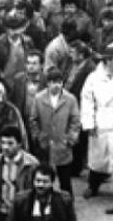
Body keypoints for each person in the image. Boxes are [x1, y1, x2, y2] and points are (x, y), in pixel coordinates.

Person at [81, 47, 113, 202]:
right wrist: (89, 122)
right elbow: (87, 100)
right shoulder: (93, 78)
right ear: (107, 61)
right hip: (101, 123)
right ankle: (93, 186)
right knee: (98, 159)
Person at [29, 67, 81, 197]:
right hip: (45, 145)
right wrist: (38, 136)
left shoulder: (70, 99)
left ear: (62, 83)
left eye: (59, 82)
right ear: (47, 83)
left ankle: (67, 204)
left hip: (63, 144)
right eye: (52, 82)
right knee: (44, 176)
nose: (56, 85)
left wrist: (70, 139)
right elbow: (33, 120)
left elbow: (75, 121)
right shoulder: (39, 98)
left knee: (65, 179)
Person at [6, 164, 78, 221]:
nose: (40, 185)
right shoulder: (20, 200)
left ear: (52, 183)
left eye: (45, 182)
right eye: (38, 181)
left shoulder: (64, 201)